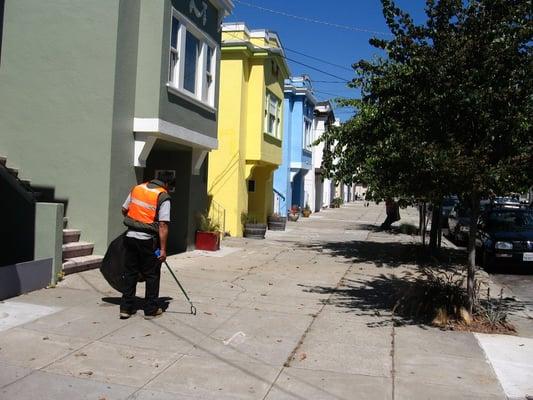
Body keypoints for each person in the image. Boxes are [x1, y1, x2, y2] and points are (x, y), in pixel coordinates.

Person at [119, 175, 173, 320]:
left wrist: (135, 220)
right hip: (148, 240)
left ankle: (125, 308)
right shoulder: (163, 196)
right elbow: (163, 225)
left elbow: (124, 210)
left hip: (130, 237)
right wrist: (162, 249)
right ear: (166, 184)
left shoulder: (137, 189)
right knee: (152, 274)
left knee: (130, 273)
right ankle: (151, 309)